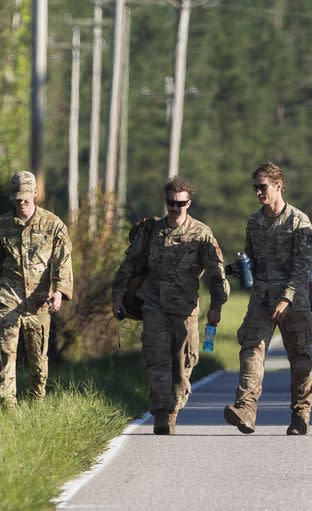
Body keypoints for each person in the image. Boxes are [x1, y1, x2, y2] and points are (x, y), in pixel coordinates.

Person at [112, 175, 229, 435]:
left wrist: (217, 306)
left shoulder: (201, 233)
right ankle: (162, 414)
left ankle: (174, 405)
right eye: (171, 203)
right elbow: (128, 265)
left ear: (189, 203)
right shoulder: (151, 231)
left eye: (180, 204)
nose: (175, 209)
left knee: (183, 365)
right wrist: (118, 296)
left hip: (186, 309)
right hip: (154, 305)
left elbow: (215, 273)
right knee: (157, 360)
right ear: (165, 202)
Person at [224, 162, 312, 436]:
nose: (258, 193)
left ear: (278, 185)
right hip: (262, 299)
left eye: (262, 187)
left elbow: (302, 267)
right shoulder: (255, 222)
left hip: (293, 302)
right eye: (255, 188)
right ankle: (246, 410)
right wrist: (235, 268)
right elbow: (251, 257)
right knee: (251, 349)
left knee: (299, 358)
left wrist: (286, 299)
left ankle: (300, 414)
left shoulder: (299, 221)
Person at [0, 170, 73, 408]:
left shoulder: (53, 225)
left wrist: (59, 291)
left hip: (39, 300)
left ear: (35, 194)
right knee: (5, 355)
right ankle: (7, 408)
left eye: (26, 198)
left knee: (38, 363)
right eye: (17, 199)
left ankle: (36, 404)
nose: (21, 203)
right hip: (8, 297)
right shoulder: (0, 226)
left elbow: (63, 261)